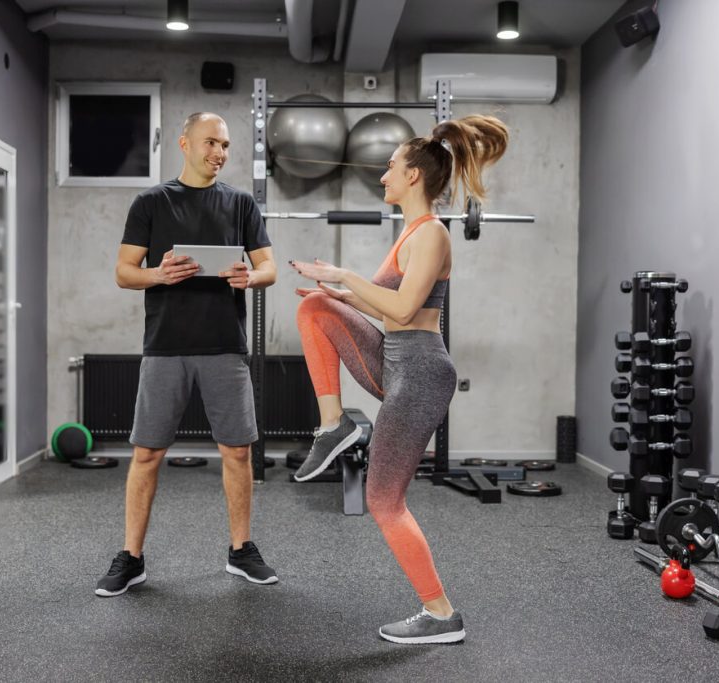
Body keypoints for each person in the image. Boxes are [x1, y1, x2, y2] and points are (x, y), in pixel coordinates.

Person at [289, 115, 509, 643]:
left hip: (421, 371)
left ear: (413, 176)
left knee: (385, 500)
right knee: (317, 308)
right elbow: (388, 309)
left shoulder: (431, 233)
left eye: (390, 167)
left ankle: (440, 615)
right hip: (396, 358)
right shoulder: (408, 233)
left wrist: (346, 276)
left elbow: (407, 306)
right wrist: (340, 294)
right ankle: (333, 427)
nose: (383, 175)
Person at [96, 112, 278, 597]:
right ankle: (131, 558)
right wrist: (159, 274)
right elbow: (123, 271)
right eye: (211, 143)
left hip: (224, 346)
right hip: (166, 347)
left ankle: (241, 551)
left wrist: (249, 277)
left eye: (225, 145)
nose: (219, 153)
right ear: (184, 143)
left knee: (237, 452)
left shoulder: (240, 203)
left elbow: (269, 268)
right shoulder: (151, 203)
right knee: (148, 453)